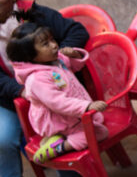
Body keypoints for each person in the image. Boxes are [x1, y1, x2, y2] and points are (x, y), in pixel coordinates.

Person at [0, 0, 89, 177]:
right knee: (3, 138)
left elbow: (77, 31)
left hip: (56, 90)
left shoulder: (33, 14)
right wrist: (22, 91)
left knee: (59, 123)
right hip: (12, 96)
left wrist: (55, 57)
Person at [7, 18, 108, 162]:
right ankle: (57, 147)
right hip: (59, 120)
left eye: (52, 40)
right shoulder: (36, 79)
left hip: (72, 115)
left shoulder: (56, 60)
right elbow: (58, 103)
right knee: (100, 132)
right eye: (46, 44)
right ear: (30, 55)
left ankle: (56, 139)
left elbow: (75, 66)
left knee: (99, 119)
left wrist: (75, 56)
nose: (54, 45)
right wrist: (86, 106)